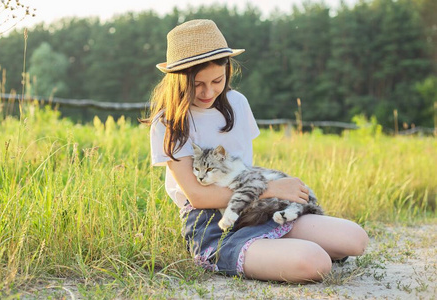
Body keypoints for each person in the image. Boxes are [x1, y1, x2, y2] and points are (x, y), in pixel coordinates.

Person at [144, 19, 369, 283]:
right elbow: (198, 197)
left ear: (228, 70)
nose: (208, 92)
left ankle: (275, 247)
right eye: (197, 84)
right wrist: (271, 189)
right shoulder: (168, 122)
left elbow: (242, 170)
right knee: (314, 262)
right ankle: (234, 253)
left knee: (355, 240)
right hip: (212, 223)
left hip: (257, 208)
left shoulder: (237, 103)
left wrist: (267, 194)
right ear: (179, 81)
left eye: (217, 80)